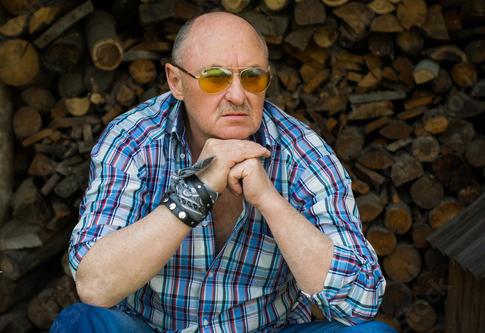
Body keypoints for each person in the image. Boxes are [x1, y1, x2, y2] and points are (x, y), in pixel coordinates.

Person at [50, 11, 396, 333]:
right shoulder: (134, 140)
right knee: (81, 323)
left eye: (253, 77)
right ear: (176, 82)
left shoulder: (303, 152)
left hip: (265, 330)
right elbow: (94, 286)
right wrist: (197, 191)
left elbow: (360, 301)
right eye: (214, 77)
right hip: (154, 328)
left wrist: (270, 201)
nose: (236, 94)